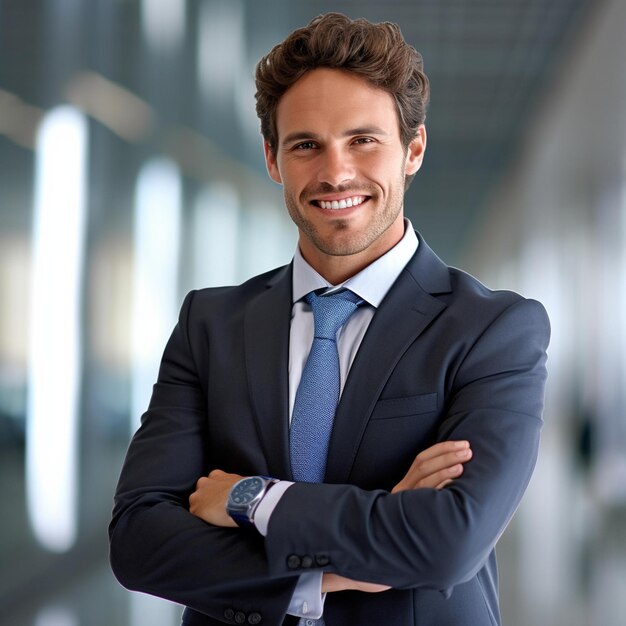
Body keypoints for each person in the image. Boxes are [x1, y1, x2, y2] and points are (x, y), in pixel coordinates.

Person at [109, 12, 550, 626]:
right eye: (306, 145)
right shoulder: (208, 324)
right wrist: (329, 574)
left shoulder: (493, 330)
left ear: (413, 149)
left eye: (363, 139)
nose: (335, 172)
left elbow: (449, 540)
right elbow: (138, 543)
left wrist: (251, 498)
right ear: (272, 158)